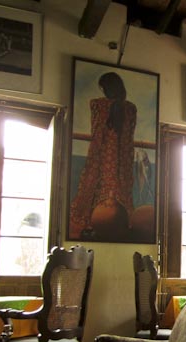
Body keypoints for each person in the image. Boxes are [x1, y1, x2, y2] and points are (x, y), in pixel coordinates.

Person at [69, 72, 137, 239]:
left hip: (101, 155)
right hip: (123, 159)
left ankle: (91, 223)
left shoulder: (97, 105)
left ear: (107, 88)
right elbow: (130, 135)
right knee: (121, 190)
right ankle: (120, 224)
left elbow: (96, 132)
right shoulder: (131, 108)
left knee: (94, 186)